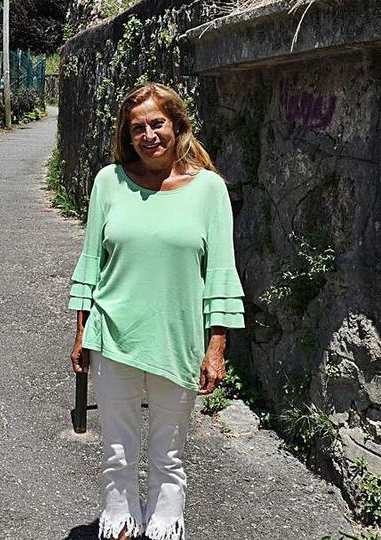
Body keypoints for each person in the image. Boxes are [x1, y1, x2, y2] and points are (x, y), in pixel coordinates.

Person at [67, 82, 245, 540]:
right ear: (128, 136)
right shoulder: (109, 181)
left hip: (178, 339)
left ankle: (165, 527)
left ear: (177, 125)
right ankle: (121, 526)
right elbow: (91, 261)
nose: (149, 135)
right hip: (114, 336)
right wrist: (81, 330)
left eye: (157, 124)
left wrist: (217, 344)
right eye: (138, 127)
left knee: (169, 455)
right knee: (117, 452)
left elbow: (221, 271)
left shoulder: (209, 190)